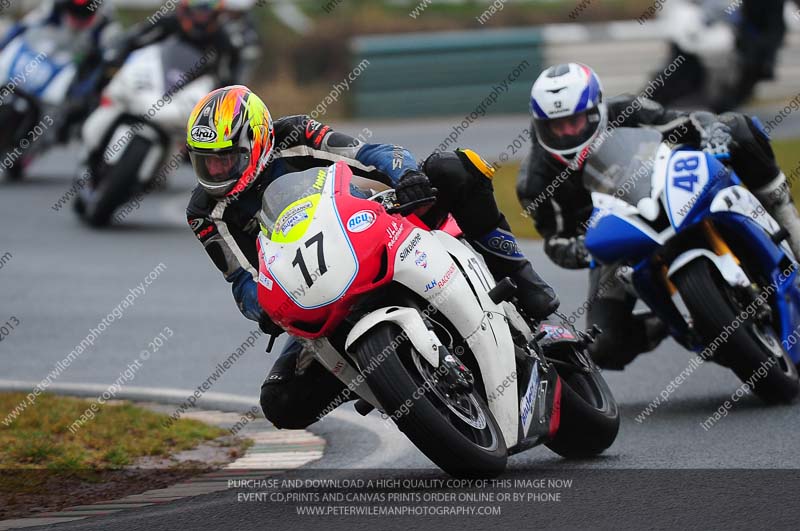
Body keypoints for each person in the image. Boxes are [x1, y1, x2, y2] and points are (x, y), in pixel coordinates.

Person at [185, 85, 560, 429]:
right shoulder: (205, 212)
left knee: (450, 168)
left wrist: (406, 174)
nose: (216, 172)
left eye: (226, 159)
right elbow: (241, 280)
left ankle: (520, 275)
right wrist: (263, 306)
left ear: (259, 140)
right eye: (206, 162)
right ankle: (376, 376)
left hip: (364, 228)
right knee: (281, 402)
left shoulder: (295, 135)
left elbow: (369, 153)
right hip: (310, 289)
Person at [518, 62, 800, 369]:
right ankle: (676, 320)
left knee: (738, 127)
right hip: (617, 241)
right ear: (540, 125)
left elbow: (686, 121)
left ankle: (788, 222)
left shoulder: (626, 109)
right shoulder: (535, 180)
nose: (567, 132)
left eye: (574, 121)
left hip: (664, 192)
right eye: (557, 126)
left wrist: (711, 130)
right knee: (603, 346)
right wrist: (577, 249)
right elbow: (555, 239)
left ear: (595, 110)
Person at [0, 0, 122, 140]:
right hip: (41, 56)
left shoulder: (107, 28)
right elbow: (21, 27)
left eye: (84, 15)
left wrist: (80, 94)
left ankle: (31, 149)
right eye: (73, 13)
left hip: (68, 75)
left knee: (58, 120)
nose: (77, 20)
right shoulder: (52, 7)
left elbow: (102, 68)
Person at [104, 0, 240, 87]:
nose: (202, 16)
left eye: (207, 11)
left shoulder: (223, 39)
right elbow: (134, 40)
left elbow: (228, 74)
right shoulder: (168, 23)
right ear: (186, 9)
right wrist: (117, 60)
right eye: (198, 10)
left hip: (185, 97)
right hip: (148, 81)